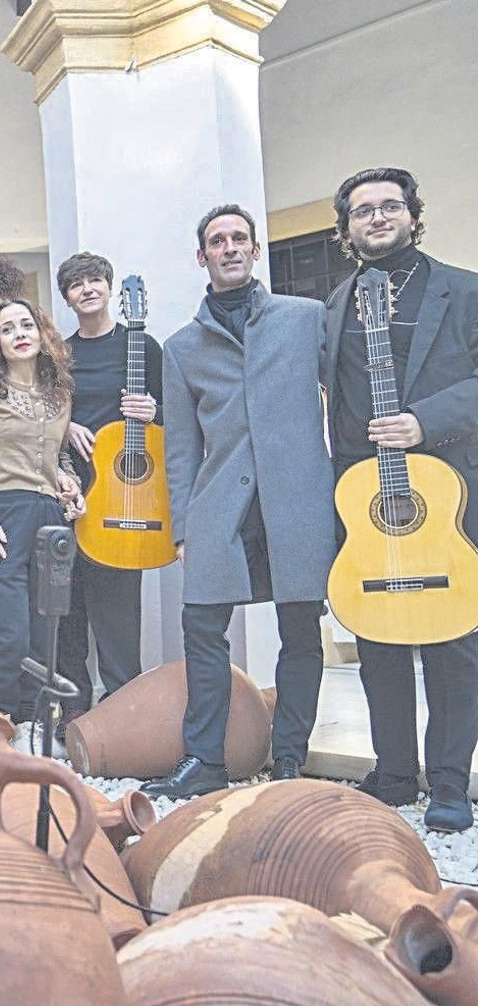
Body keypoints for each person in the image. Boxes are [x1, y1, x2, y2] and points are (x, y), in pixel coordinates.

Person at [142, 204, 333, 800]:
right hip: (220, 508)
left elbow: (347, 398)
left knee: (300, 631)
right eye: (217, 241)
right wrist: (180, 526)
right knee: (200, 627)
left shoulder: (307, 319)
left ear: (254, 250)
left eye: (239, 238)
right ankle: (204, 758)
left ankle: (289, 757)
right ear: (203, 256)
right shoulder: (181, 347)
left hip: (299, 504)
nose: (229, 248)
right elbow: (179, 447)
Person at [323, 168, 478, 832]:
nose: (378, 217)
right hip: (367, 497)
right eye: (364, 211)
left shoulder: (463, 291)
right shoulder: (337, 303)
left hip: (446, 491)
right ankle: (392, 771)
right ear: (348, 230)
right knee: (377, 636)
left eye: (390, 207)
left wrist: (425, 420)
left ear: (413, 215)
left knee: (452, 642)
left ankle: (448, 780)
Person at [0, 299, 82, 721]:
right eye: (7, 329)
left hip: (51, 519)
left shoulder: (58, 395)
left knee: (45, 632)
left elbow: (59, 460)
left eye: (27, 325)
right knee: (8, 634)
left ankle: (30, 721)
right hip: (2, 517)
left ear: (43, 333)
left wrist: (71, 485)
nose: (20, 334)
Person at [55, 251, 163, 718]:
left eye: (95, 280)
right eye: (77, 284)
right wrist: (65, 425)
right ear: (67, 297)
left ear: (111, 288)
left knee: (119, 614)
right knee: (69, 610)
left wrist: (154, 412)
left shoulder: (142, 347)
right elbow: (38, 413)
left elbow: (174, 418)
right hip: (71, 488)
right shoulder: (57, 354)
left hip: (125, 494)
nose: (88, 289)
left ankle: (122, 716)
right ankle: (75, 713)